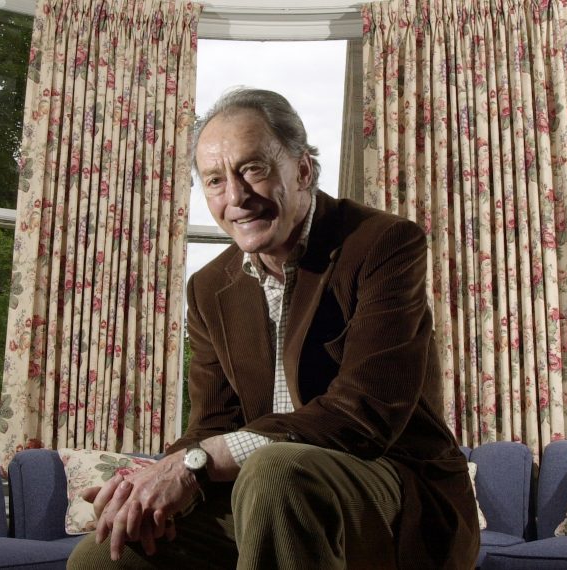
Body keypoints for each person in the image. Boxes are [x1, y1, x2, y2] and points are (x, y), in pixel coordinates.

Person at [66, 88, 480, 570]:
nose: (236, 198)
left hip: (393, 483)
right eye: (215, 181)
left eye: (253, 170)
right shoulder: (208, 288)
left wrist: (195, 465)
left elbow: (364, 415)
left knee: (276, 471)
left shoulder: (383, 244)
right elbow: (213, 423)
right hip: (264, 489)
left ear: (303, 170)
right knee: (104, 556)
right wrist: (153, 480)